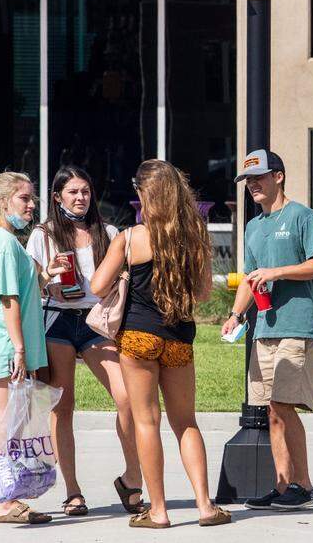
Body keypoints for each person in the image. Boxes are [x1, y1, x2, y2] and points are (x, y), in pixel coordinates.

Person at [91, 160, 232, 529]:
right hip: (179, 338)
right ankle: (205, 506)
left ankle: (158, 511)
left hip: (138, 336)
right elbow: (202, 293)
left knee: (146, 423)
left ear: (143, 194)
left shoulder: (130, 237)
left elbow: (96, 286)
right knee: (186, 423)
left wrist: (125, 270)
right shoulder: (194, 235)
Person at [26, 165, 145, 517]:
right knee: (63, 406)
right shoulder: (43, 235)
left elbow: (119, 277)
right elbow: (30, 286)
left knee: (126, 398)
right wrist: (49, 278)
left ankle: (132, 478)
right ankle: (73, 493)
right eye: (73, 192)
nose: (81, 198)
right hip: (58, 320)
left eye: (86, 192)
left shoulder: (107, 232)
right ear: (57, 196)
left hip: (96, 322)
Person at [221, 149, 313, 511]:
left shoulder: (302, 216)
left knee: (283, 404)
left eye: (259, 178)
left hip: (297, 325)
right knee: (270, 410)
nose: (253, 185)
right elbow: (249, 278)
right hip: (262, 329)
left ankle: (304, 484)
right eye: (248, 181)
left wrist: (277, 272)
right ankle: (284, 486)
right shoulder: (254, 227)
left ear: (278, 177)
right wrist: (236, 315)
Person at [0, 171, 64, 525]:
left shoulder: (0, 240)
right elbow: (8, 301)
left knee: (12, 418)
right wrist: (20, 349)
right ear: (3, 201)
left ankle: (3, 496)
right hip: (9, 343)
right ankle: (6, 499)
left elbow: (18, 289)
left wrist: (45, 274)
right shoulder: (4, 242)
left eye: (32, 198)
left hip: (9, 340)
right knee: (11, 420)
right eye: (24, 198)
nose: (31, 205)